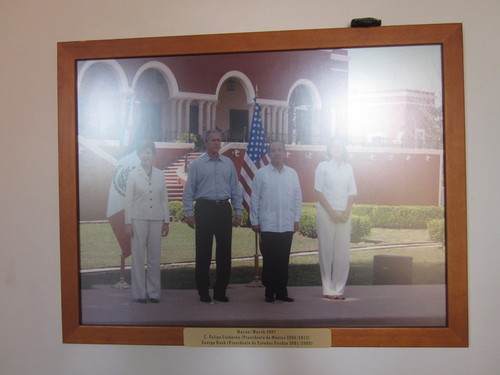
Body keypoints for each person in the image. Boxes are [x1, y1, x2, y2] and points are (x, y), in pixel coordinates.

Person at [183, 129, 243, 303]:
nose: (217, 143)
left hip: (224, 209)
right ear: (206, 143)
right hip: (205, 209)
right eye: (213, 140)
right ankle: (203, 291)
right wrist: (189, 213)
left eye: (219, 140)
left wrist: (238, 210)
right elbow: (188, 192)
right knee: (204, 253)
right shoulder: (196, 165)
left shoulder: (228, 164)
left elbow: (235, 189)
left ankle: (220, 291)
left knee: (224, 253)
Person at [250, 141, 302, 303]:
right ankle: (269, 291)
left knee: (283, 259)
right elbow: (255, 199)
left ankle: (282, 291)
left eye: (280, 150)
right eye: (273, 150)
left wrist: (296, 219)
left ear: (284, 152)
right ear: (269, 154)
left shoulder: (292, 173)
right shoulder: (261, 174)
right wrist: (255, 220)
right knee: (270, 259)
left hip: (286, 223)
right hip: (268, 224)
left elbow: (297, 198)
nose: (277, 153)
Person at [124, 140, 170, 303]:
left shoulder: (160, 174)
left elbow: (164, 198)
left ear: (153, 154)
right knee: (137, 256)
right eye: (143, 152)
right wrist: (128, 222)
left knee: (154, 257)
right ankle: (139, 293)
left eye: (148, 152)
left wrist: (166, 221)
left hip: (157, 219)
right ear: (138, 154)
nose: (146, 155)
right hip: (138, 219)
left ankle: (154, 293)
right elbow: (128, 200)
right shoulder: (133, 174)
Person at [314, 137, 357, 300]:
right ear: (329, 149)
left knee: (342, 253)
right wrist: (332, 212)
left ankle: (339, 289)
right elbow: (318, 191)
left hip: (344, 213)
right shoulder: (322, 167)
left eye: (339, 147)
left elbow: (352, 192)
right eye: (333, 147)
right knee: (326, 251)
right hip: (326, 212)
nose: (336, 149)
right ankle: (328, 289)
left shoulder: (349, 168)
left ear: (344, 149)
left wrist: (346, 212)